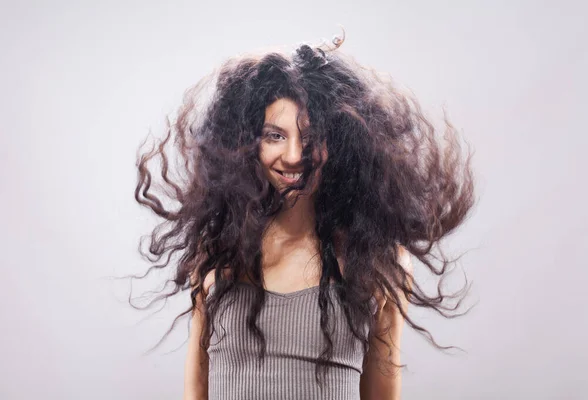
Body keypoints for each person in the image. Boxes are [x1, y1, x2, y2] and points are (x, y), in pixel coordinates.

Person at [134, 31, 475, 400]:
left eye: (310, 137)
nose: (295, 155)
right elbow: (196, 391)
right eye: (274, 136)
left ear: (341, 142)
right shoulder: (216, 251)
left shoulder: (377, 263)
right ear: (246, 144)